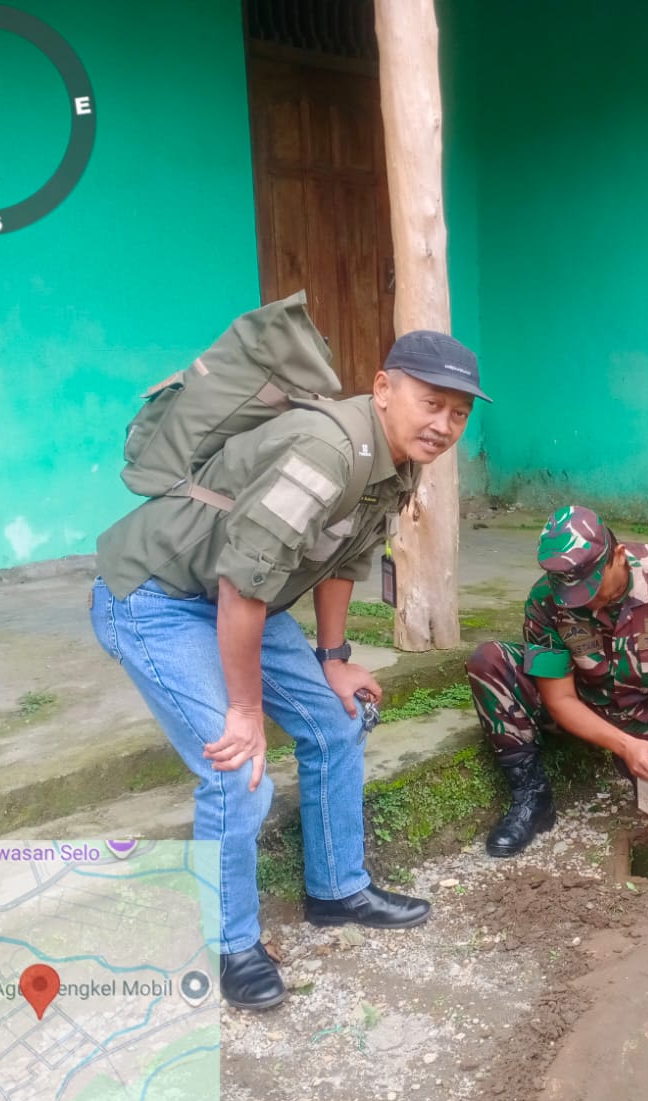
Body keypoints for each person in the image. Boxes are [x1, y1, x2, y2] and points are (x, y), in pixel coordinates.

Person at [91, 330, 490, 1010]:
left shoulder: (399, 461)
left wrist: (333, 661)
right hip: (157, 597)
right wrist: (245, 712)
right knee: (236, 766)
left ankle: (338, 889)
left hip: (240, 595)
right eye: (431, 403)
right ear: (385, 388)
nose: (443, 424)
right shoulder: (325, 449)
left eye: (458, 412)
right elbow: (240, 588)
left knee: (338, 721)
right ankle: (234, 945)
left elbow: (342, 559)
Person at [466, 505, 648, 855]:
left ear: (617, 557)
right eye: (569, 591)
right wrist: (624, 745)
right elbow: (560, 700)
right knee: (490, 660)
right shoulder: (546, 602)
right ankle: (533, 800)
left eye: (590, 586)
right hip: (591, 708)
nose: (584, 602)